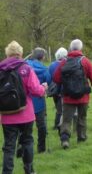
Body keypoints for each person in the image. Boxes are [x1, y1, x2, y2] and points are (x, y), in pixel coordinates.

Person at [0, 41, 47, 174]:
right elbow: (36, 90)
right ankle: (29, 170)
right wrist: (43, 88)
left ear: (7, 54)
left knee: (9, 146)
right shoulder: (25, 68)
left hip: (7, 114)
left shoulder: (1, 69)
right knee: (27, 142)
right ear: (20, 54)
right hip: (25, 113)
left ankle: (7, 172)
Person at [53, 39, 92, 149]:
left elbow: (56, 78)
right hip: (83, 96)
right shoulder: (85, 61)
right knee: (82, 117)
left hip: (68, 96)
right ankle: (81, 137)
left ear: (70, 48)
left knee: (66, 119)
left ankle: (65, 139)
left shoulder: (64, 61)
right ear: (81, 48)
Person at [26, 47, 51, 154]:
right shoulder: (45, 70)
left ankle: (21, 148)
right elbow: (48, 81)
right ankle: (41, 148)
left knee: (25, 127)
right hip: (39, 99)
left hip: (26, 100)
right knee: (41, 125)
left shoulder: (24, 65)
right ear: (43, 57)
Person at [48, 47, 68, 130]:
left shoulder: (52, 65)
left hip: (54, 89)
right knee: (63, 109)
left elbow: (49, 78)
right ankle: (59, 125)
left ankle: (56, 125)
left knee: (58, 108)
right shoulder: (66, 64)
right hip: (63, 89)